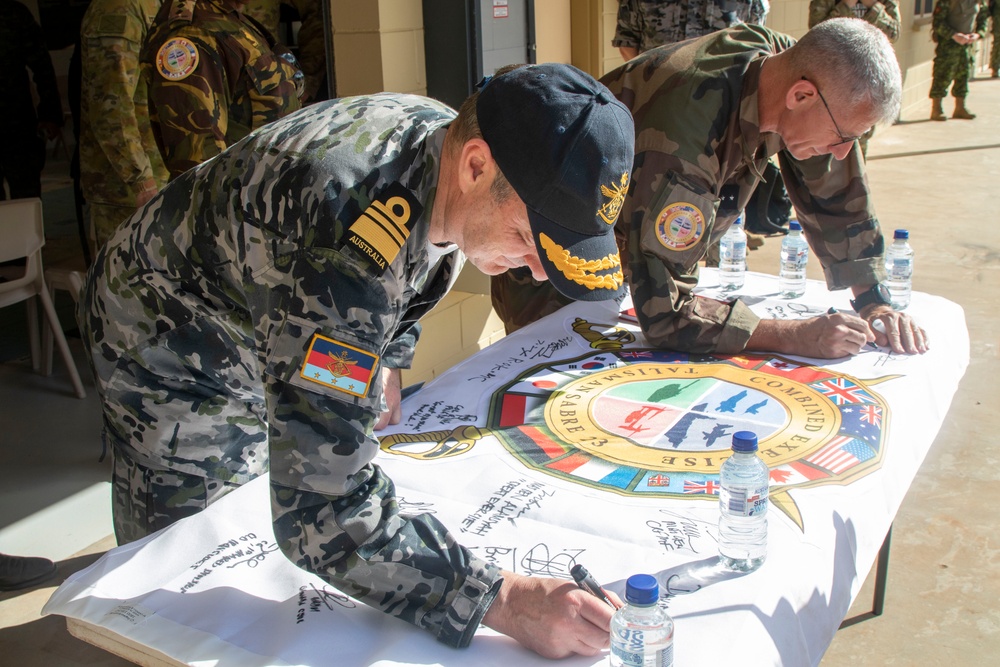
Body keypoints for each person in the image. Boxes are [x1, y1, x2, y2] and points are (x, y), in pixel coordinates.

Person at [77, 63, 634, 657]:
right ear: (476, 165)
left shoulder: (443, 155)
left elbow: (407, 270)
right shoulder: (340, 243)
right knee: (190, 578)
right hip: (168, 349)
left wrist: (386, 355)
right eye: (530, 237)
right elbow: (321, 510)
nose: (538, 269)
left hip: (256, 302)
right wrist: (503, 598)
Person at [494, 18, 929, 359]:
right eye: (841, 137)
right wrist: (796, 336)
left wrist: (873, 299)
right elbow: (666, 316)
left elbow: (835, 190)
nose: (839, 153)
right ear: (801, 97)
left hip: (628, 251)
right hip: (553, 270)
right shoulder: (685, 137)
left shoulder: (789, 70)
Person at [610, 0, 790, 262]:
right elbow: (628, 41)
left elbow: (756, 49)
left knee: (722, 243)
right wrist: (666, 78)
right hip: (659, 125)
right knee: (652, 239)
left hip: (725, 131)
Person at [140, 0, 303, 179]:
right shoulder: (195, 33)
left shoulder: (231, 19)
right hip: (237, 198)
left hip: (265, 190)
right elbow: (200, 164)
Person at [79, 0, 169, 255]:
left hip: (165, 176)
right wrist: (140, 179)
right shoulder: (118, 7)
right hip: (130, 190)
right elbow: (111, 104)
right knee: (130, 284)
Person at [809, 0, 901, 157]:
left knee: (860, 136)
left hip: (869, 76)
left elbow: (894, 33)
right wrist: (846, 5)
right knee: (828, 137)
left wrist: (874, 7)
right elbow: (816, 31)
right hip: (832, 77)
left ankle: (856, 176)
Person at [0, 0, 63, 200]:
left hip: (16, 127)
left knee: (26, 201)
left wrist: (50, 114)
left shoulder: (12, 14)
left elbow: (42, 65)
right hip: (17, 126)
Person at [928, 0, 990, 121]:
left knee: (963, 76)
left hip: (967, 46)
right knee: (943, 75)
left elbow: (983, 21)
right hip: (948, 45)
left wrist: (977, 35)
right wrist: (954, 35)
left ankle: (960, 108)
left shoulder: (979, 1)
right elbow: (938, 22)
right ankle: (936, 109)